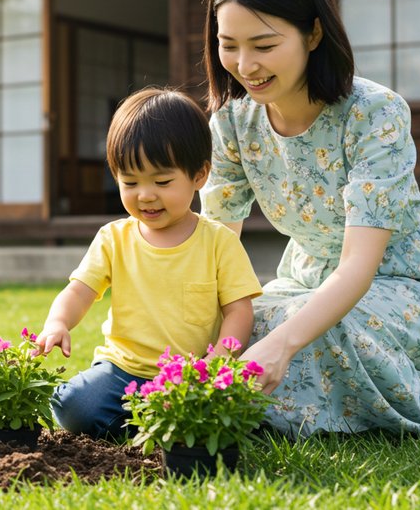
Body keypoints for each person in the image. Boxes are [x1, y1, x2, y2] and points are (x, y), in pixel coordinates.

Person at [199, 0, 420, 438]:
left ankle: (391, 396)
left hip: (411, 292)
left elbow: (357, 267)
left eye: (264, 46)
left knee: (314, 332)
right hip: (301, 286)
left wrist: (282, 344)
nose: (244, 65)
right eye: (228, 44)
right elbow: (214, 245)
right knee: (233, 325)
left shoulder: (375, 114)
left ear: (313, 33)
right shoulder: (232, 122)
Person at [33, 87, 264, 440]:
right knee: (73, 406)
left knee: (227, 417)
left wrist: (215, 363)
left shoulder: (218, 241)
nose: (146, 195)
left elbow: (239, 311)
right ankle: (147, 422)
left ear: (199, 176)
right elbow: (79, 290)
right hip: (122, 371)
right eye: (130, 182)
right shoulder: (114, 238)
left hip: (188, 375)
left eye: (162, 181)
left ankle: (153, 422)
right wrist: (57, 322)